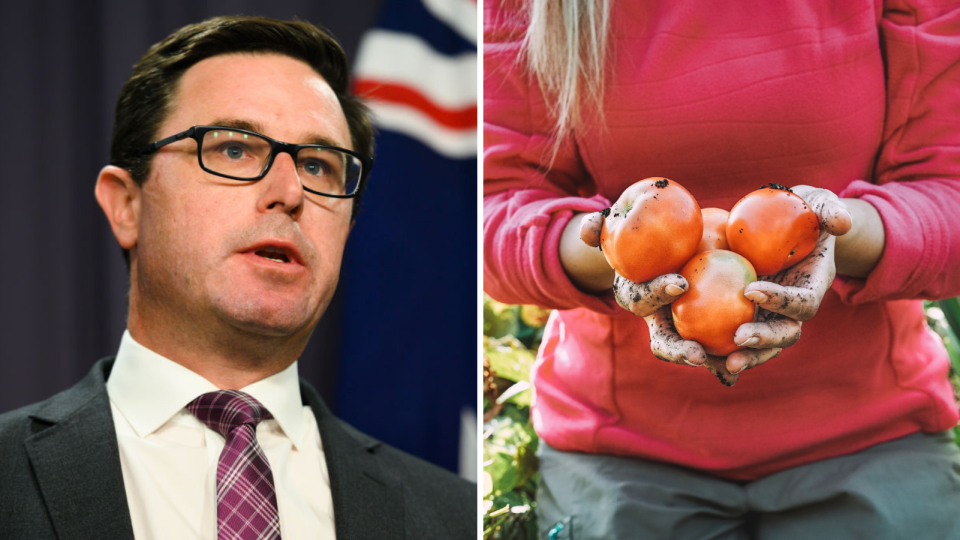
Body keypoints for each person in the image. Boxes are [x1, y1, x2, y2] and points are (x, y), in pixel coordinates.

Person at [484, 0, 960, 538]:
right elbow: (492, 210)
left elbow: (949, 188)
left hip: (871, 441)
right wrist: (615, 254)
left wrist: (836, 237)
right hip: (625, 455)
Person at [0, 15, 474, 540]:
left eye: (318, 166)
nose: (289, 192)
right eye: (233, 149)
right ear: (126, 205)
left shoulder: (455, 516)